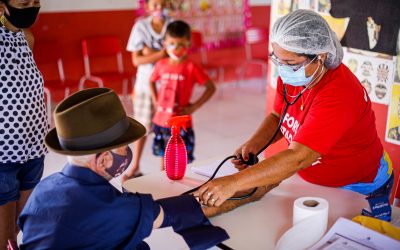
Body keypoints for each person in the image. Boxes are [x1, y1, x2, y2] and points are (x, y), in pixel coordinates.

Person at [195, 10, 394, 222]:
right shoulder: (295, 74)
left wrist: (233, 182)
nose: (283, 69)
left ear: (321, 57)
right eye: (278, 60)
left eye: (290, 64)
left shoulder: (340, 93)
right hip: (312, 181)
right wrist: (255, 143)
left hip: (358, 187)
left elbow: (299, 156)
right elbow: (277, 116)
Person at [17, 88, 269, 249]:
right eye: (122, 148)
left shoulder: (44, 189)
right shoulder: (107, 208)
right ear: (104, 159)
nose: (127, 153)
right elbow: (174, 212)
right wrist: (248, 191)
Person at [0, 0, 47, 248]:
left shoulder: (26, 38)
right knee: (5, 238)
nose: (31, 7)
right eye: (23, 2)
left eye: (35, 1)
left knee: (21, 229)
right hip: (3, 154)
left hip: (33, 149)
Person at [150, 20, 216, 169]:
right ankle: (163, 185)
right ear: (165, 43)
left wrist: (194, 107)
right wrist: (155, 100)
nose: (176, 48)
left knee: (180, 161)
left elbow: (211, 87)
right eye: (172, 43)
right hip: (161, 122)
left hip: (181, 124)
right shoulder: (161, 64)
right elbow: (151, 81)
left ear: (188, 44)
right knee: (163, 159)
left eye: (181, 44)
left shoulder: (191, 67)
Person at [124, 0, 172, 180]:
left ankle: (163, 170)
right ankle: (135, 166)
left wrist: (147, 51)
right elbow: (136, 60)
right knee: (142, 127)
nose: (159, 9)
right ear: (148, 7)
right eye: (155, 5)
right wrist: (161, 53)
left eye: (162, 5)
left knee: (166, 129)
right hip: (145, 84)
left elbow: (176, 53)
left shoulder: (172, 25)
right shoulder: (140, 26)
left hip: (168, 86)